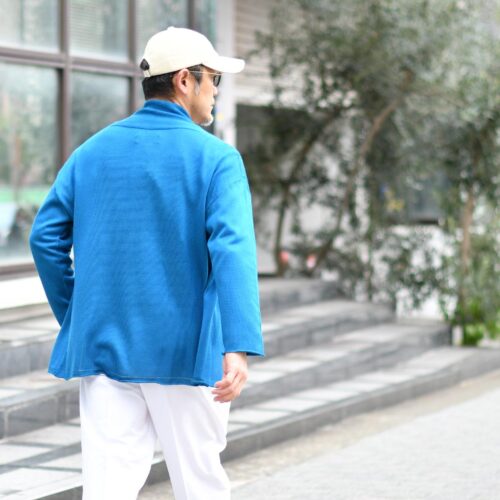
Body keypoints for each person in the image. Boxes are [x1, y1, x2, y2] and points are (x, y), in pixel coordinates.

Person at [29, 26, 264, 500]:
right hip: (187, 350)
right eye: (214, 78)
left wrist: (78, 315)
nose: (217, 90)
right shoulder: (217, 159)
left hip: (106, 346)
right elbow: (232, 249)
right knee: (200, 485)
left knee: (107, 488)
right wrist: (237, 344)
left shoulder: (91, 152)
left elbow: (44, 237)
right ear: (184, 80)